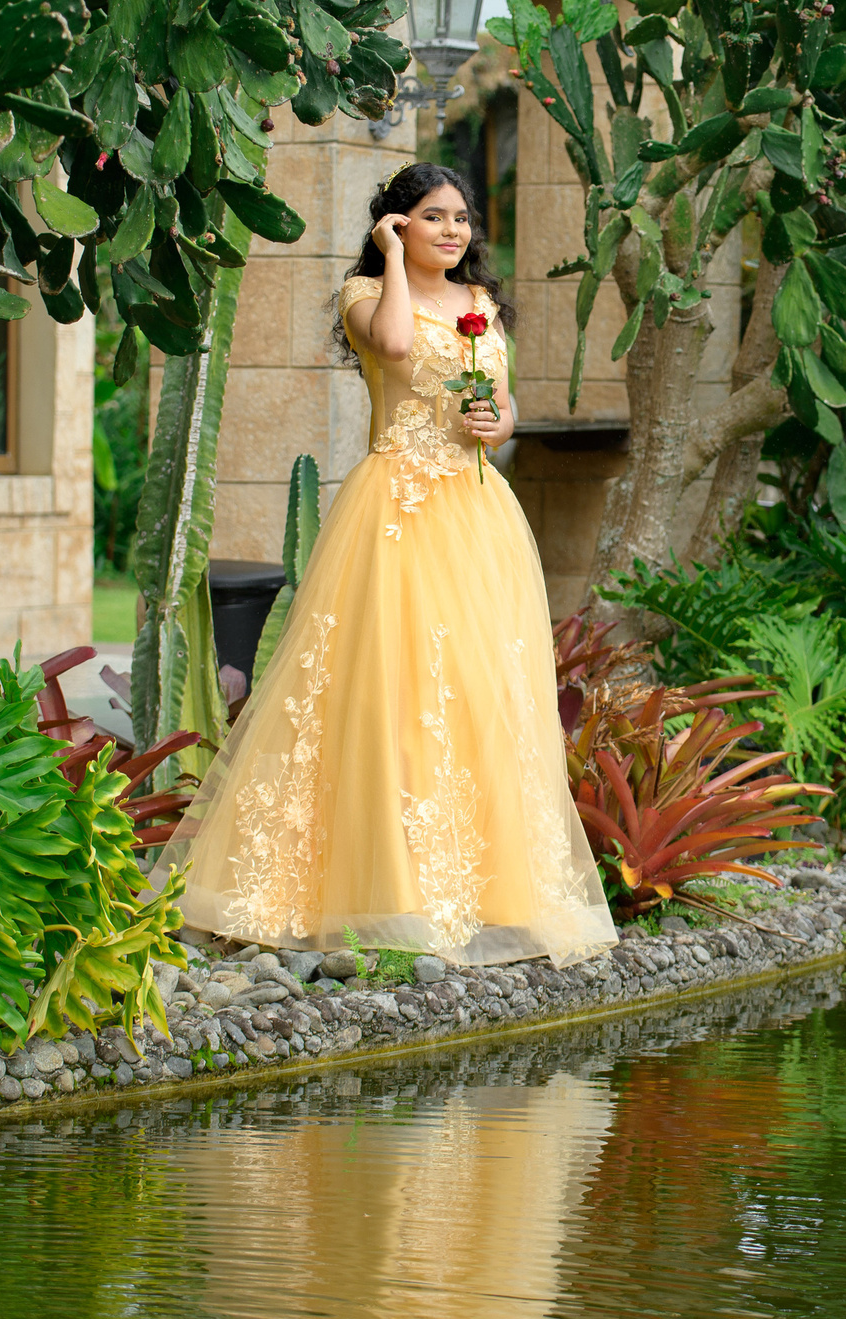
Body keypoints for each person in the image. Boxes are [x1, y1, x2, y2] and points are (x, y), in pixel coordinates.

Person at [173, 163, 617, 968]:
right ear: (397, 225)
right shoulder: (365, 298)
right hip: (396, 512)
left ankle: (487, 894)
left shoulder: (482, 306)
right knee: (391, 688)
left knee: (478, 690)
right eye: (432, 217)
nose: (453, 231)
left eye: (461, 219)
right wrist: (384, 259)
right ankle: (376, 895)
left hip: (475, 515)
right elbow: (398, 346)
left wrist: (497, 426)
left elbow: (505, 403)